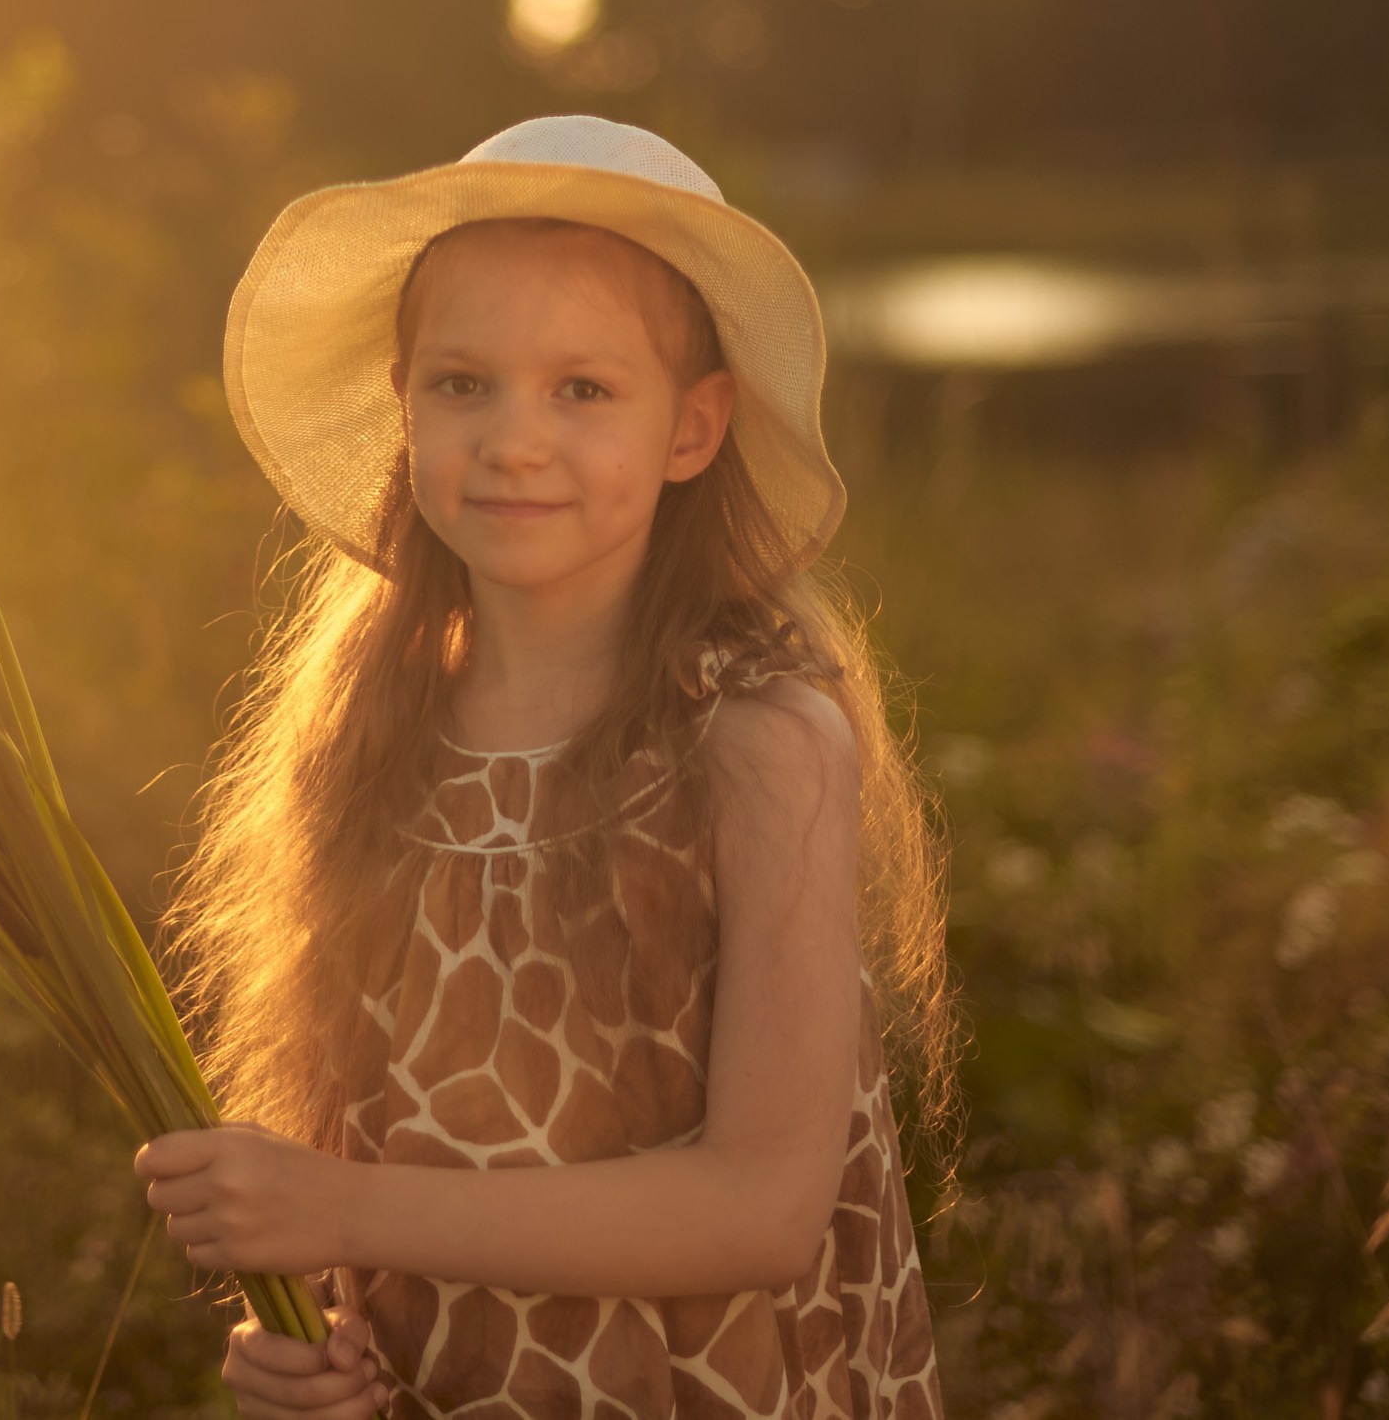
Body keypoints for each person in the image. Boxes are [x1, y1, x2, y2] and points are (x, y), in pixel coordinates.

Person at [134, 115, 958, 1419]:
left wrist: (345, 1208)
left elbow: (761, 1208)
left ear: (693, 427)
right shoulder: (369, 742)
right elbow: (352, 1150)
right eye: (464, 384)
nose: (514, 439)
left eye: (583, 390)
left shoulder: (758, 744)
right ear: (405, 404)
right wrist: (303, 1343)